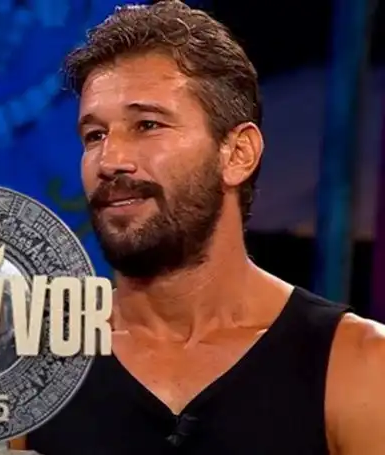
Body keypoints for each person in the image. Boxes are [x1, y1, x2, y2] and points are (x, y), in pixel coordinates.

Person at [24, 1, 385, 454]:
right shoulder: (29, 369)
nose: (110, 160)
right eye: (95, 135)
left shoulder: (359, 365)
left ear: (238, 154)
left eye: (147, 125)